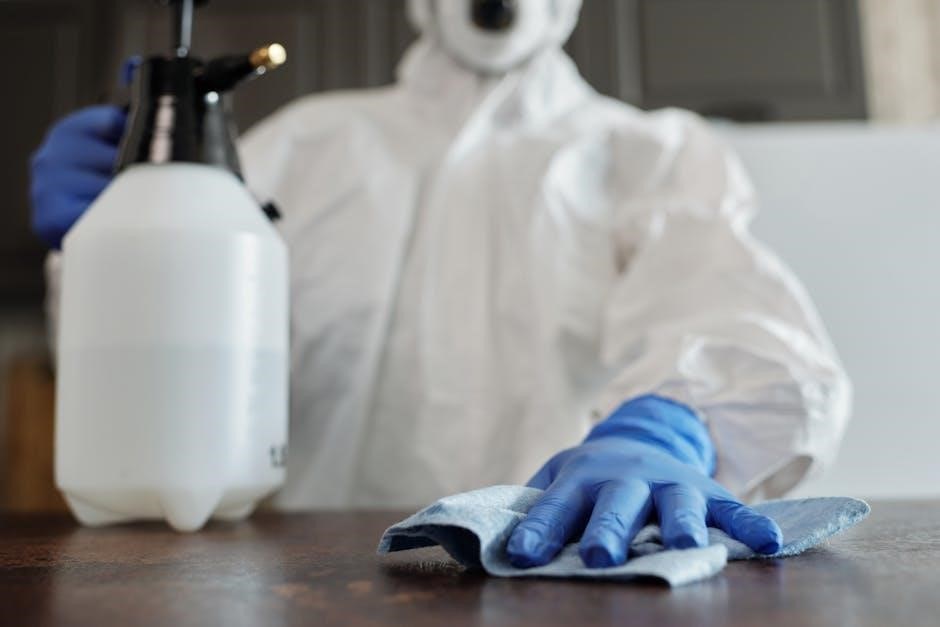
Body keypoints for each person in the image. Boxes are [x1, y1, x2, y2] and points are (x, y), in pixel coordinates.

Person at [29, 0, 851, 568]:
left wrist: (667, 427)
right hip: (294, 579)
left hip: (563, 568)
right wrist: (109, 253)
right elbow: (162, 375)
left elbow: (734, 313)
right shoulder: (307, 144)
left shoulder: (645, 155)